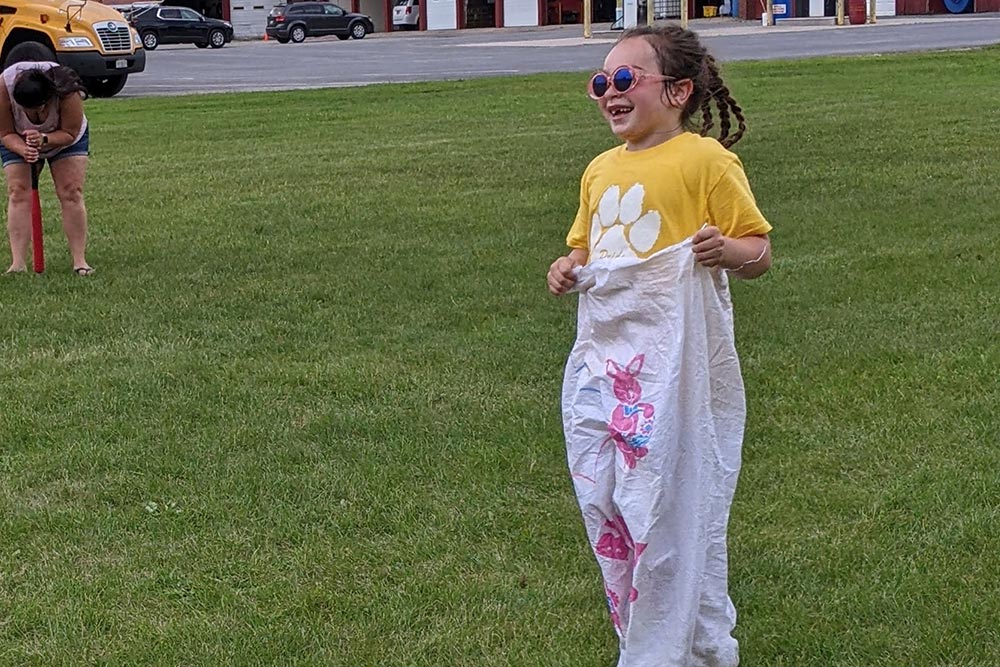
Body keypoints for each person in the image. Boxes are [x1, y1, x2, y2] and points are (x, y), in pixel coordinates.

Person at [547, 25, 772, 667]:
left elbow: (758, 251)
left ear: (676, 91)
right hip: (605, 362)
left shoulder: (706, 162)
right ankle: (649, 629)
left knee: (667, 500)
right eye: (600, 83)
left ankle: (679, 643)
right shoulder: (598, 171)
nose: (608, 94)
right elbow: (586, 251)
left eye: (624, 80)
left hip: (671, 371)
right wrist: (566, 268)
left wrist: (725, 252)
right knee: (608, 500)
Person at [0, 47, 93, 275]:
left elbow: (70, 133)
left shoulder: (66, 89)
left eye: (39, 108)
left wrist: (44, 138)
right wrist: (23, 149)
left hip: (65, 138)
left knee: (71, 191)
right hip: (17, 138)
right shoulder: (3, 86)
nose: (33, 114)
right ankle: (18, 264)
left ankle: (80, 262)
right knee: (17, 191)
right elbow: (4, 133)